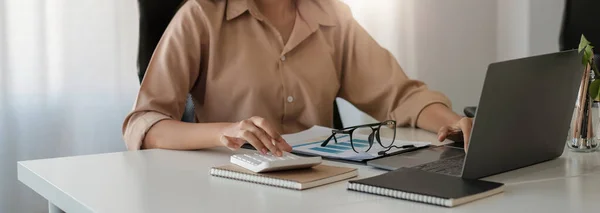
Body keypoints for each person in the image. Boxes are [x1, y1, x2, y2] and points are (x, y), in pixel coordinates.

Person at [122, 0, 473, 156]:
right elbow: (145, 123)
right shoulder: (201, 16)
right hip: (228, 191)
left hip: (319, 187)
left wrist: (455, 122)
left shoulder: (334, 17)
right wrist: (223, 131)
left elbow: (399, 95)